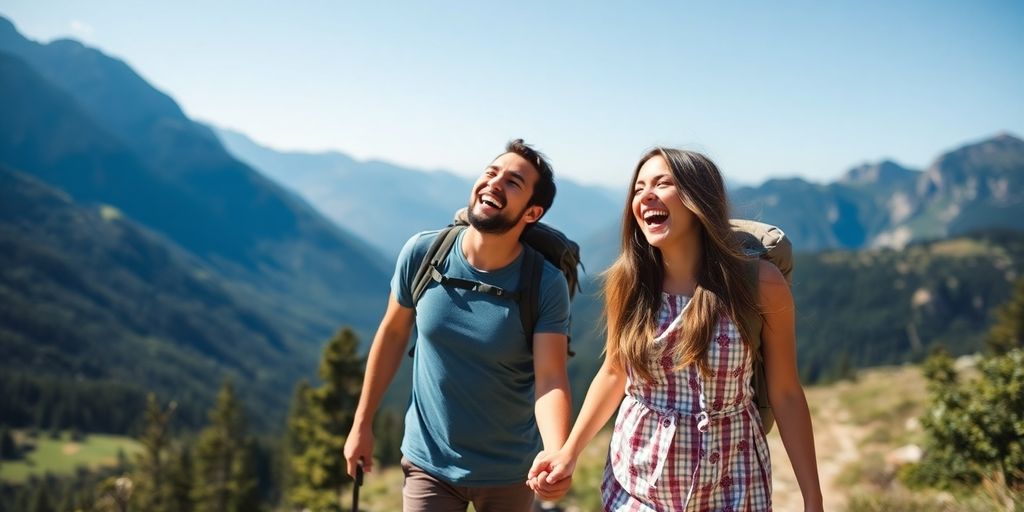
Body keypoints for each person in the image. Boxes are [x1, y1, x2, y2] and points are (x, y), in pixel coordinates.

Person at [527, 148, 823, 511]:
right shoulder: (628, 281)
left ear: (699, 198)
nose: (645, 195)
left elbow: (786, 391)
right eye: (638, 188)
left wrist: (812, 496)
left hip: (732, 480)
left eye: (662, 183)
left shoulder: (759, 283)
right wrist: (569, 452)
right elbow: (615, 372)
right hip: (638, 481)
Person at [344, 139, 573, 511]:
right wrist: (362, 423)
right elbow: (392, 334)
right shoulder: (422, 253)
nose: (494, 183)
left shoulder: (544, 283)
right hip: (428, 463)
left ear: (532, 213)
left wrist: (555, 452)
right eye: (491, 172)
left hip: (510, 471)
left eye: (513, 182)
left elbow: (550, 377)